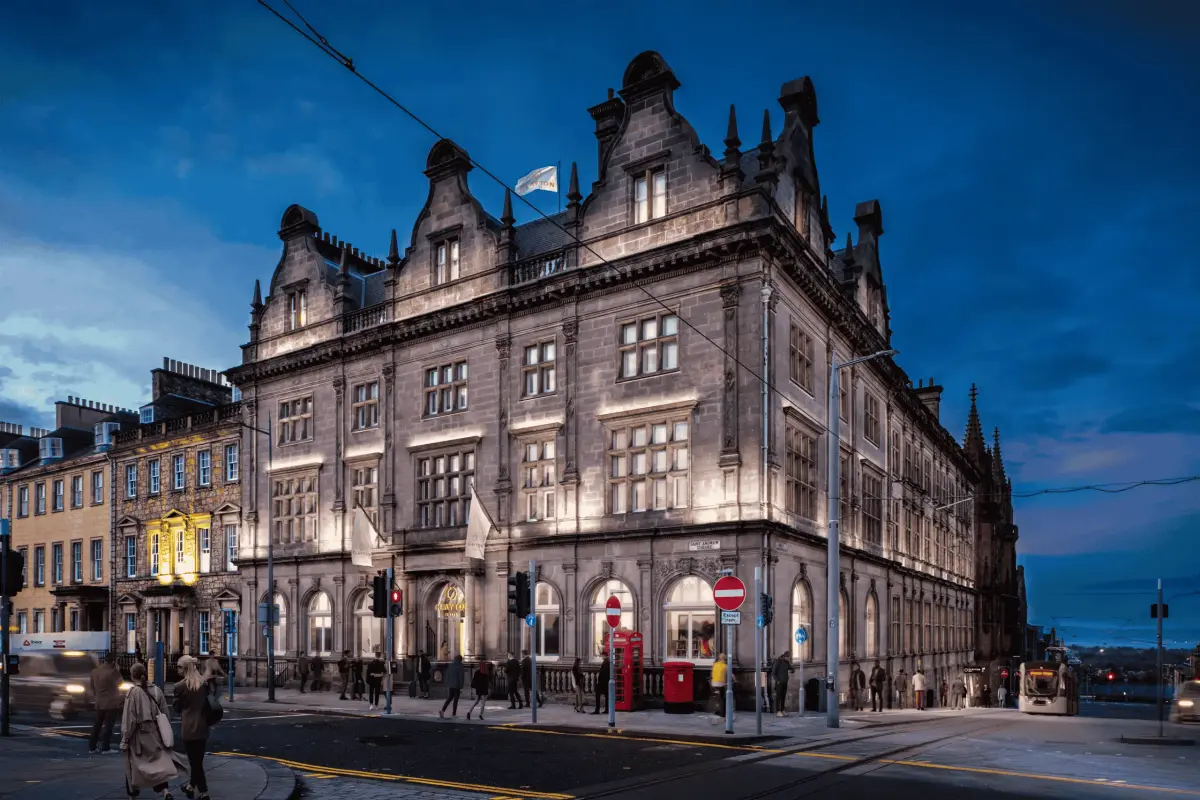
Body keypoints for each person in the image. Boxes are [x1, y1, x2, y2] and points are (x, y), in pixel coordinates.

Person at [120, 662, 177, 799]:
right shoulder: (157, 691)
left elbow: (129, 720)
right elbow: (165, 715)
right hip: (155, 735)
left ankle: (132, 796)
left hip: (138, 737)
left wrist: (125, 739)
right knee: (158, 765)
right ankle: (165, 792)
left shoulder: (132, 693)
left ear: (132, 676)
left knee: (133, 765)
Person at [174, 655, 214, 800]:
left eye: (179, 666)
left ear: (185, 668)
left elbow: (177, 708)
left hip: (189, 727)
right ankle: (191, 787)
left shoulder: (179, 687)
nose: (177, 669)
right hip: (202, 726)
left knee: (194, 762)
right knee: (197, 761)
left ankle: (204, 793)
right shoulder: (203, 684)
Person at [89, 652, 124, 754]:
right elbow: (120, 682)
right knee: (108, 726)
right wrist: (118, 670)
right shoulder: (113, 672)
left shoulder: (95, 671)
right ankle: (105, 748)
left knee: (97, 725)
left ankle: (92, 747)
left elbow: (92, 687)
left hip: (99, 702)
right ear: (113, 662)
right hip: (111, 703)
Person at [466, 656, 491, 720]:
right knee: (483, 702)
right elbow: (487, 681)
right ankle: (480, 714)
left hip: (479, 688)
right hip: (484, 688)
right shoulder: (486, 672)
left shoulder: (477, 672)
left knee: (476, 701)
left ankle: (469, 712)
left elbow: (474, 680)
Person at [709, 653, 727, 723]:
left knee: (717, 698)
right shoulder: (725, 665)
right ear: (723, 659)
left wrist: (711, 681)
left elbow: (711, 673)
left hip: (714, 683)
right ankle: (722, 713)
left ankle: (718, 711)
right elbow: (730, 674)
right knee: (722, 699)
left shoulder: (714, 664)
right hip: (721, 684)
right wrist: (735, 680)